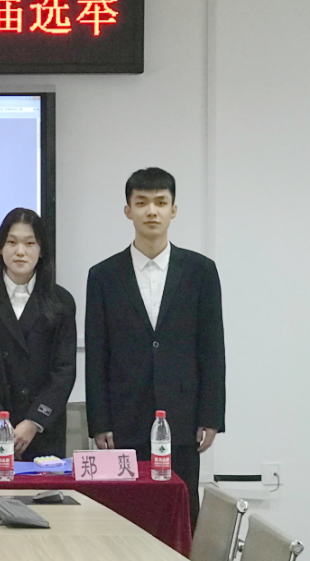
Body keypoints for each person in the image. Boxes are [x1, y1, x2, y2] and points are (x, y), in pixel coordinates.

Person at [86, 168, 225, 526]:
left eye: (161, 203)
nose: (152, 211)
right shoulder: (103, 275)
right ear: (128, 210)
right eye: (142, 203)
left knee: (180, 512)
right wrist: (99, 421)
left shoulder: (200, 271)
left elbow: (212, 348)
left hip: (182, 417)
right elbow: (97, 354)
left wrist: (210, 416)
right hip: (123, 419)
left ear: (173, 210)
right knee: (123, 515)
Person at [0, 208, 76, 459]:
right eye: (12, 242)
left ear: (41, 250)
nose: (20, 251)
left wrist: (34, 421)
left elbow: (64, 370)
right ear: (0, 248)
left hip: (43, 429)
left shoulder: (61, 301)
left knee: (43, 484)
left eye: (29, 243)